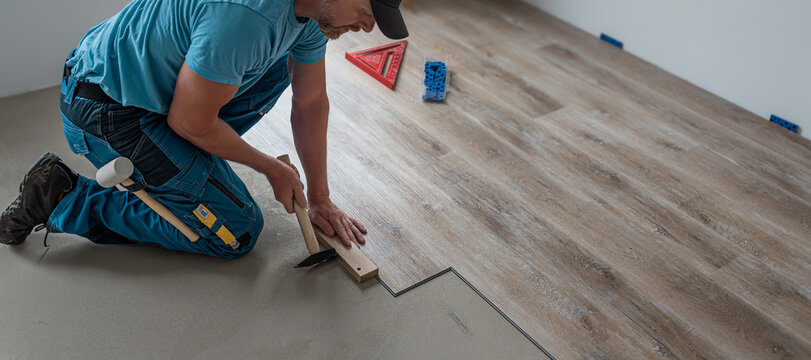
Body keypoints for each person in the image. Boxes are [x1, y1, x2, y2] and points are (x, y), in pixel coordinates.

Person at [0, 0, 408, 259]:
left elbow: (311, 102)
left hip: (151, 94)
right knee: (236, 233)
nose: (369, 26)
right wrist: (271, 167)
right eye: (367, 9)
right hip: (107, 110)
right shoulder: (245, 17)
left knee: (281, 71)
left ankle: (183, 163)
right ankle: (62, 197)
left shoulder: (307, 15)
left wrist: (319, 197)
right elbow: (188, 121)